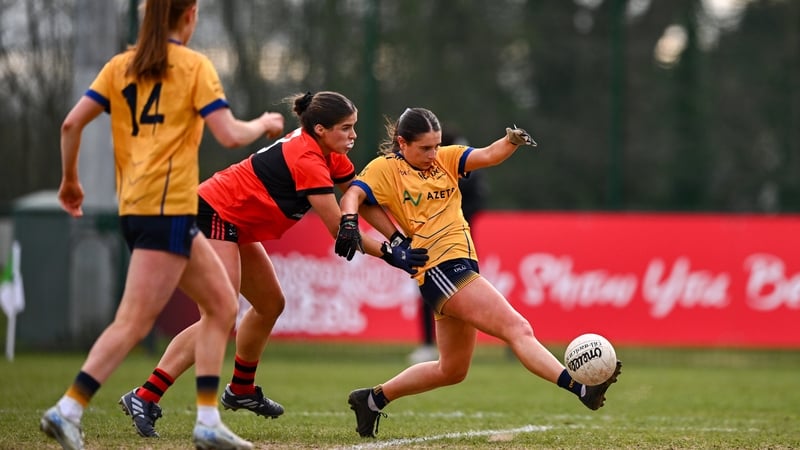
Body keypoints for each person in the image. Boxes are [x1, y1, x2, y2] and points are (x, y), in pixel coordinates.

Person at [39, 2, 285, 449]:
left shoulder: (119, 66)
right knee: (134, 321)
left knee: (221, 306)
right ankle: (68, 408)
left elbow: (71, 123)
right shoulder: (193, 66)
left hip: (136, 207)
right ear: (188, 16)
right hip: (167, 208)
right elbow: (229, 134)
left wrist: (70, 181)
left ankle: (208, 420)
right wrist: (264, 123)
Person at [117, 91, 428, 439]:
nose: (353, 135)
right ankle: (144, 395)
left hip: (238, 225)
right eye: (345, 128)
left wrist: (400, 239)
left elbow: (361, 204)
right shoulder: (308, 158)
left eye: (354, 127)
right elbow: (339, 228)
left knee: (269, 304)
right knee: (219, 314)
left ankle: (242, 389)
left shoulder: (332, 155)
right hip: (213, 214)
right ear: (321, 129)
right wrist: (390, 254)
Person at [335, 108, 623, 438]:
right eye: (425, 148)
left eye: (437, 145)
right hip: (439, 268)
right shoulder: (387, 170)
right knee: (518, 328)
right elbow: (354, 194)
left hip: (457, 267)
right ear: (402, 143)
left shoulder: (446, 158)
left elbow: (487, 155)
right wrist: (349, 222)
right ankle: (581, 389)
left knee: (451, 370)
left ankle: (371, 400)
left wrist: (510, 141)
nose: (433, 154)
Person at [407, 128, 487, 364]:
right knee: (427, 293)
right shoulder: (425, 170)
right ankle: (428, 345)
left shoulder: (461, 168)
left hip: (459, 241)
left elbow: (479, 197)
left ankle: (453, 348)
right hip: (428, 244)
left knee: (463, 295)